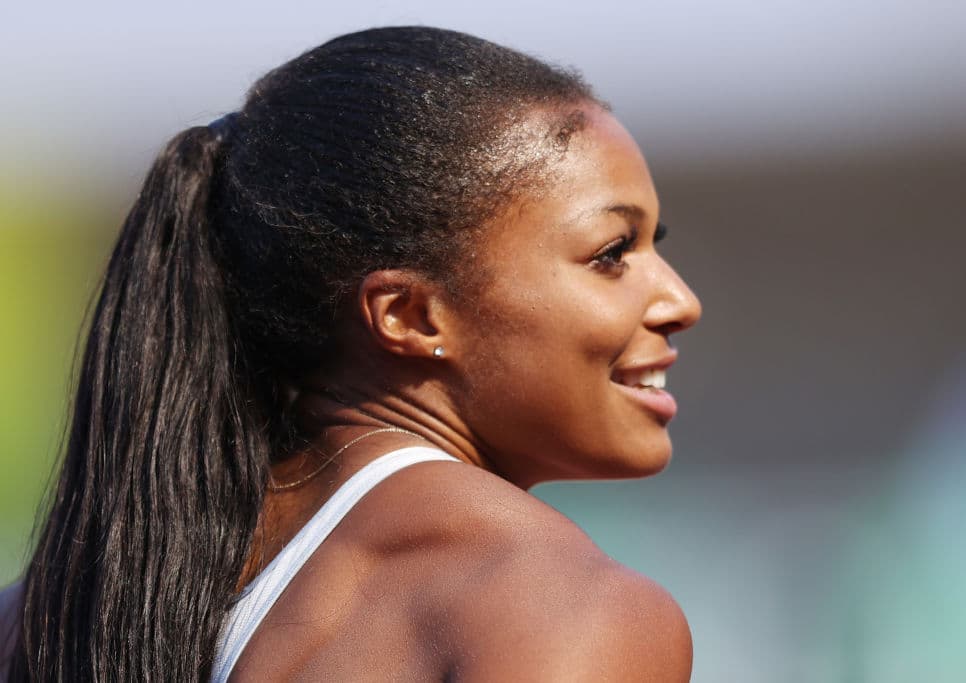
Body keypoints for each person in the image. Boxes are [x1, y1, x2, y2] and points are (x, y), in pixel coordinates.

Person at [0, 26, 700, 681]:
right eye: (611, 253)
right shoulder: (562, 607)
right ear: (410, 315)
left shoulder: (39, 616)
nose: (679, 302)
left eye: (653, 247)